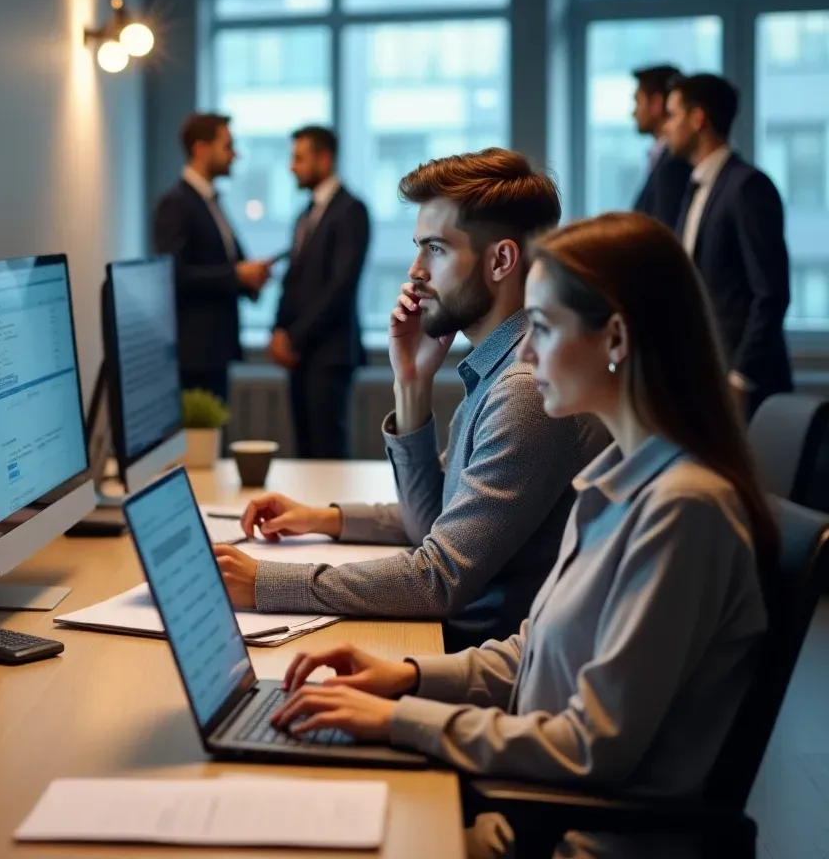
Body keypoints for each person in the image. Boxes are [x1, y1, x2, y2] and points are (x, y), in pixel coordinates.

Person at [268, 212, 776, 859]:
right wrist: (404, 675)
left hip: (570, 841)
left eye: (541, 327)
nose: (526, 353)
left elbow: (590, 746)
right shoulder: (615, 479)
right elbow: (535, 655)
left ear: (615, 337)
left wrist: (403, 721)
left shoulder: (683, 511)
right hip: (529, 815)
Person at [214, 149, 608, 651]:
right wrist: (411, 383)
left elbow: (437, 578)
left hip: (484, 659)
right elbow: (438, 518)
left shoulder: (524, 389)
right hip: (457, 643)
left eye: (436, 250)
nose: (416, 271)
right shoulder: (497, 366)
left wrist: (267, 582)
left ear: (501, 260)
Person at [665, 74, 793, 418]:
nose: (667, 127)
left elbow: (771, 293)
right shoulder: (695, 188)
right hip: (705, 378)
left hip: (746, 390)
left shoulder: (748, 187)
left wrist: (740, 378)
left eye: (673, 114)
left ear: (698, 119)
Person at [153, 112, 273, 404]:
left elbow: (222, 265)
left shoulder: (210, 201)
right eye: (228, 146)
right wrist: (237, 276)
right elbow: (174, 274)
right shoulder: (176, 203)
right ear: (200, 148)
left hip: (213, 350)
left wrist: (249, 279)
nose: (235, 155)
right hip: (194, 354)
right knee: (200, 444)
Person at [270, 126, 370, 460]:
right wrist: (278, 331)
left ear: (324, 159)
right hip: (300, 355)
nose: (291, 166)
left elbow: (340, 289)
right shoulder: (304, 214)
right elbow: (293, 281)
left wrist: (293, 339)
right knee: (304, 452)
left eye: (299, 158)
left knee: (326, 454)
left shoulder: (351, 211)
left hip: (330, 354)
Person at [629, 63, 691, 229]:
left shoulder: (674, 163)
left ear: (656, 103)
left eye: (637, 101)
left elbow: (662, 229)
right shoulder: (662, 157)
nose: (633, 113)